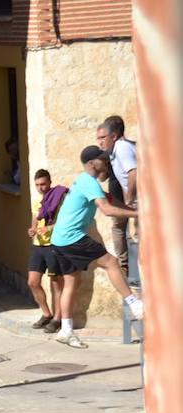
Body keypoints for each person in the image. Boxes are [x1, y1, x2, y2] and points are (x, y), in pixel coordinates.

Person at [47, 146, 144, 347]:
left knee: (72, 283)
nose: (107, 164)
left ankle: (66, 330)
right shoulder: (88, 182)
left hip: (59, 239)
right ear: (92, 163)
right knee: (111, 262)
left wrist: (133, 208)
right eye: (103, 161)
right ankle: (134, 304)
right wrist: (139, 215)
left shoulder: (86, 182)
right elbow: (107, 210)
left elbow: (109, 199)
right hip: (71, 238)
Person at [96, 115, 139, 278]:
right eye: (98, 138)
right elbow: (102, 177)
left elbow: (134, 174)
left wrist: (130, 199)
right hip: (126, 195)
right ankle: (128, 268)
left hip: (136, 197)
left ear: (114, 136)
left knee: (134, 234)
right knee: (124, 230)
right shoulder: (114, 150)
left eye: (102, 138)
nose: (100, 142)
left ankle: (132, 272)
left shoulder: (121, 148)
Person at [25, 168, 67, 331]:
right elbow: (35, 217)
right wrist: (32, 228)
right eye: (37, 185)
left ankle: (58, 318)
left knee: (56, 283)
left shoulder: (58, 199)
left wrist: (49, 229)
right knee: (33, 282)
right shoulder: (38, 201)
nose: (41, 188)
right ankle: (46, 313)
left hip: (53, 245)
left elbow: (65, 221)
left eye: (43, 184)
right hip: (38, 246)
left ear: (49, 182)